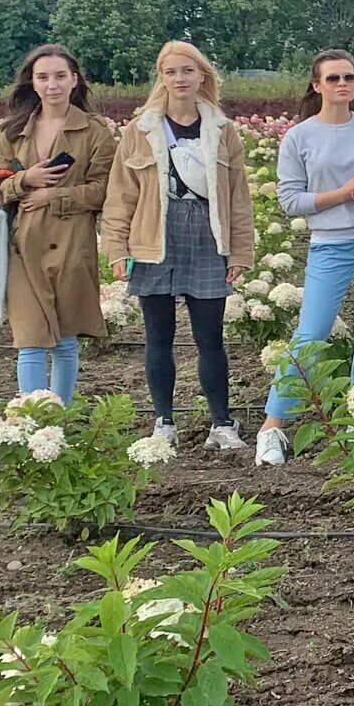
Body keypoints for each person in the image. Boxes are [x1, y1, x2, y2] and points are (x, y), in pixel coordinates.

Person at [253, 50, 354, 467]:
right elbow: (289, 200)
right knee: (311, 334)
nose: (343, 84)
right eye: (334, 78)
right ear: (317, 85)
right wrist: (341, 194)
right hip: (330, 245)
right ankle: (273, 427)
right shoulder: (299, 137)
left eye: (350, 77)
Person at [101, 41, 255, 450]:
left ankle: (221, 423)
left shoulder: (222, 131)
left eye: (188, 71)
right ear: (162, 78)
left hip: (208, 235)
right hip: (154, 238)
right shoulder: (140, 130)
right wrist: (117, 247)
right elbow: (121, 195)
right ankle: (163, 422)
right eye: (171, 72)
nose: (180, 79)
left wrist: (240, 252)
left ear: (202, 76)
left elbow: (238, 196)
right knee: (158, 337)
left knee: (210, 338)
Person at [0, 44, 116, 405]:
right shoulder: (11, 133)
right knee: (29, 339)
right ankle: (34, 417)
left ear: (74, 80)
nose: (52, 85)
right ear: (32, 82)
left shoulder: (94, 132)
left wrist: (54, 197)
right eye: (43, 77)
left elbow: (106, 190)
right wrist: (25, 180)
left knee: (64, 340)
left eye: (60, 76)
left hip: (73, 245)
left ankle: (61, 416)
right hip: (22, 247)